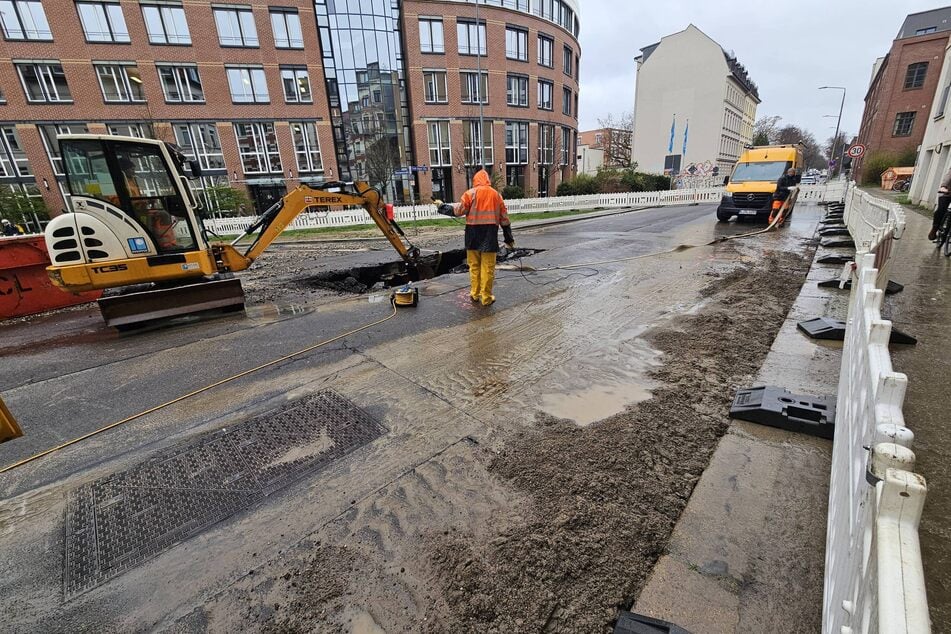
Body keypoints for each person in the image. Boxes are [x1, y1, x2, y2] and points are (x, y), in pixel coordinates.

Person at [435, 169, 514, 306]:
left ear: (475, 181)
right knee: (488, 267)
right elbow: (504, 219)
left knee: (474, 266)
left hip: (472, 235)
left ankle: (475, 293)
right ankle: (486, 297)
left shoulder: (470, 193)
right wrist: (509, 238)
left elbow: (458, 210)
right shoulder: (496, 195)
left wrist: (442, 206)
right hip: (489, 235)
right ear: (488, 180)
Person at [929, 168, 951, 241]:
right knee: (941, 210)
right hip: (947, 192)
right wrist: (944, 186)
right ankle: (934, 229)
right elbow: (948, 176)